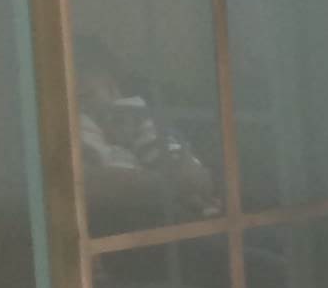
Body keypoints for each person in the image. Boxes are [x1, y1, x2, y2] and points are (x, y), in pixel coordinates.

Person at [75, 35, 220, 233]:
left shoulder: (131, 113)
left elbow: (167, 149)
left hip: (172, 210)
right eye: (69, 100)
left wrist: (185, 170)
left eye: (85, 95)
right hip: (127, 223)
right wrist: (173, 185)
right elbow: (86, 183)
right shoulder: (74, 132)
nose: (80, 106)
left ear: (113, 89)